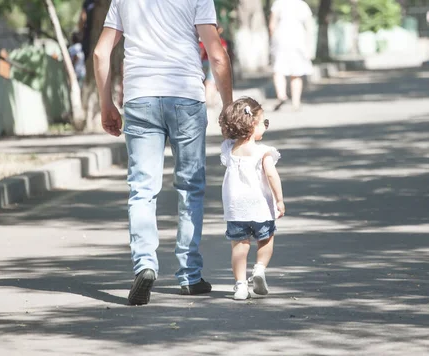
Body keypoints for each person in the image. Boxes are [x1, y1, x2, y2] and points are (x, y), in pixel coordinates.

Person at [93, 0, 233, 305]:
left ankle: (144, 264)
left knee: (142, 189)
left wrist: (106, 104)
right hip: (185, 97)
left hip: (140, 98)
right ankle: (189, 275)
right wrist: (228, 107)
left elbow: (101, 52)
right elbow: (218, 56)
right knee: (190, 188)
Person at [218, 97, 285, 300]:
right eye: (264, 122)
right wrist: (279, 199)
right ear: (253, 124)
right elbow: (272, 176)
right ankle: (259, 269)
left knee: (240, 245)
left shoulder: (228, 149)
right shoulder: (263, 151)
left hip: (235, 208)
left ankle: (240, 286)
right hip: (260, 207)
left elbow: (228, 141)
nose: (265, 126)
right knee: (265, 239)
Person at [269, 0, 314, 111]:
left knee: (279, 70)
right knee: (296, 73)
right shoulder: (302, 5)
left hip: (281, 40)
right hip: (298, 41)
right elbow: (309, 27)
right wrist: (309, 47)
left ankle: (281, 95)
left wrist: (272, 40)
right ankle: (296, 102)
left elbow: (272, 25)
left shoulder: (278, 3)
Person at [200, 27, 228, 106]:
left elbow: (201, 52)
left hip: (204, 62)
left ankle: (210, 99)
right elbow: (224, 53)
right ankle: (208, 100)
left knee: (206, 81)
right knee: (210, 81)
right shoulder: (221, 41)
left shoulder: (206, 40)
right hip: (212, 63)